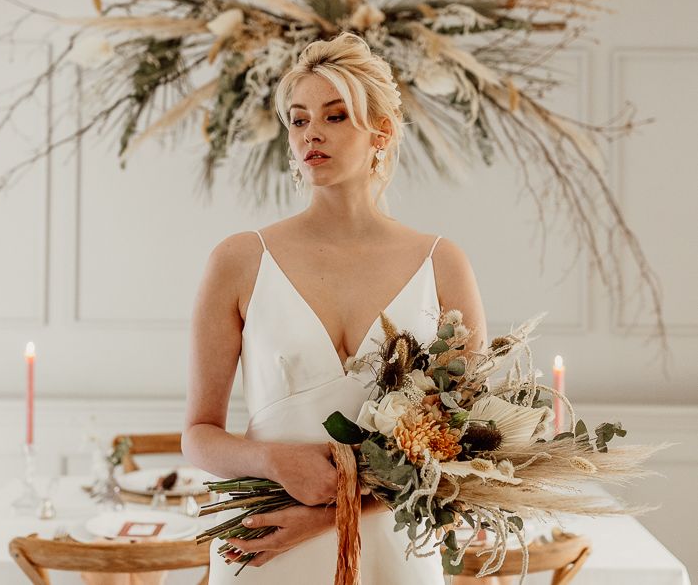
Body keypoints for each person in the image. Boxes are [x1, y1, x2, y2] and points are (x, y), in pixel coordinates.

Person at [182, 31, 507, 584]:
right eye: (298, 118)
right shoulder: (239, 261)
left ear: (380, 131)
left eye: (335, 116)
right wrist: (273, 461)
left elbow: (471, 444)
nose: (312, 133)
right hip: (269, 543)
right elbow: (198, 434)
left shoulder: (442, 264)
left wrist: (332, 515)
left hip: (392, 543)